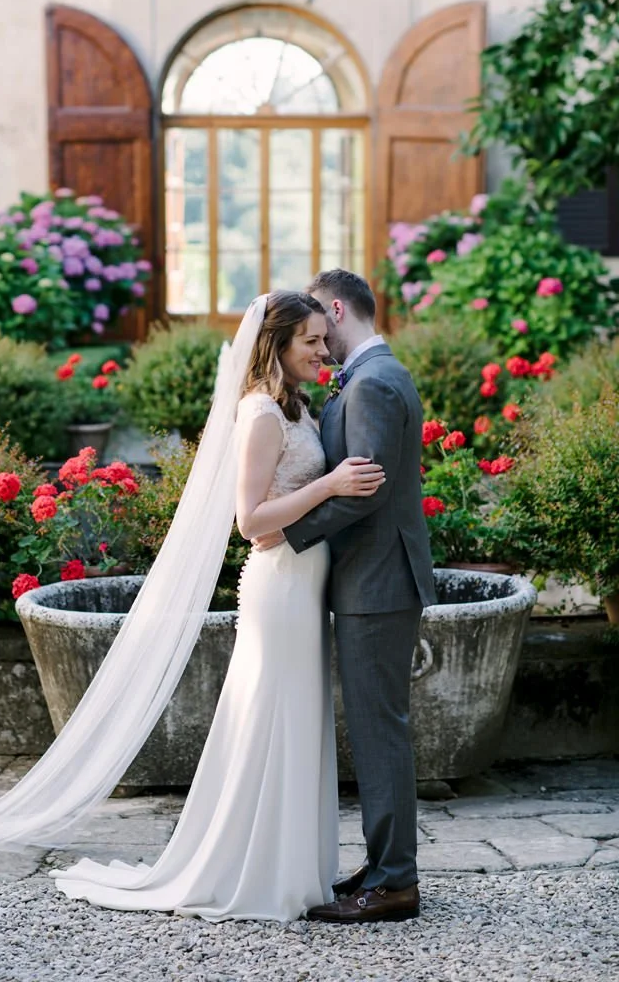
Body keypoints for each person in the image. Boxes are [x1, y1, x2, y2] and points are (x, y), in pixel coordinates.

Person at [0, 290, 384, 924]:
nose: (323, 350)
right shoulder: (260, 413)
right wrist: (330, 484)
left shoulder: (295, 408)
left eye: (322, 339)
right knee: (273, 718)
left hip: (304, 588)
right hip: (280, 584)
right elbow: (251, 522)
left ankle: (293, 870)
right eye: (310, 340)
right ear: (276, 345)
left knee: (294, 720)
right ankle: (258, 873)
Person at [271, 270, 436, 925]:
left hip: (377, 581)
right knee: (377, 730)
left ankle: (395, 883)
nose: (317, 342)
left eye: (318, 324)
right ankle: (384, 865)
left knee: (378, 734)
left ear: (336, 308)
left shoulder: (370, 382)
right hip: (377, 578)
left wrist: (287, 532)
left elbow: (361, 486)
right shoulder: (376, 375)